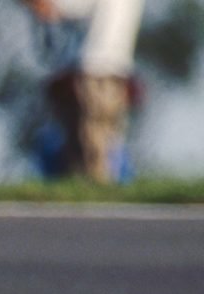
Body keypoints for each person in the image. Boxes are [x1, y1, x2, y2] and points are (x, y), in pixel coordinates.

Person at [22, 0, 144, 183]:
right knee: (108, 137)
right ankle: (102, 183)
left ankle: (94, 187)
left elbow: (65, 7)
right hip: (117, 73)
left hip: (94, 71)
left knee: (89, 137)